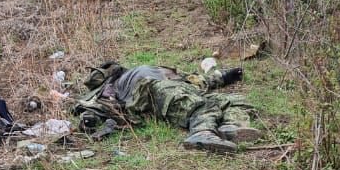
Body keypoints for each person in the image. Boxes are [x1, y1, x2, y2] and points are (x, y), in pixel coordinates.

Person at [73, 60, 260, 153]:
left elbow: (195, 80)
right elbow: (98, 108)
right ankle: (202, 134)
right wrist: (89, 120)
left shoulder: (154, 69)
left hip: (180, 87)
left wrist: (226, 76)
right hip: (151, 89)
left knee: (236, 100)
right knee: (201, 106)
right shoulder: (110, 86)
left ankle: (233, 127)